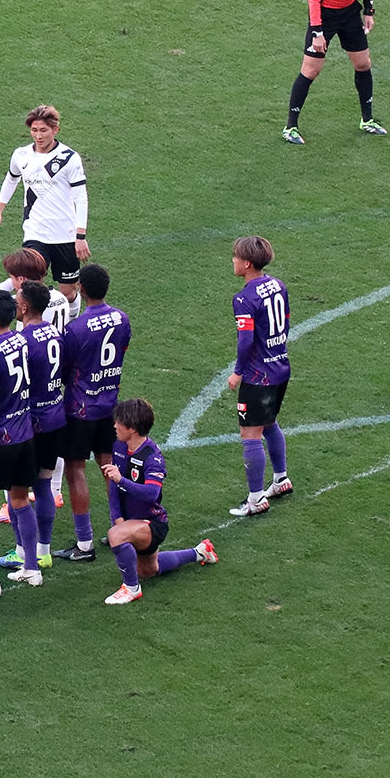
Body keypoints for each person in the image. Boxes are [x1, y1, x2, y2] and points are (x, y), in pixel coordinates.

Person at [101, 397, 219, 605]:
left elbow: (151, 494)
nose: (115, 425)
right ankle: (200, 552)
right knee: (148, 570)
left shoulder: (152, 457)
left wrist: (122, 480)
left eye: (119, 422)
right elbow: (113, 485)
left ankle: (131, 589)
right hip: (132, 522)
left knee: (116, 536)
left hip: (152, 523)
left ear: (132, 428)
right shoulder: (119, 446)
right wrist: (117, 516)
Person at [283, 0, 386, 144]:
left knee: (363, 64)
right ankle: (290, 127)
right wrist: (318, 33)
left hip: (349, 13)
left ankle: (367, 120)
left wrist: (369, 11)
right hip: (324, 16)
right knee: (311, 70)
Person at [51, 263, 129, 561]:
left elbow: (62, 371)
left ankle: (84, 544)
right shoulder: (121, 319)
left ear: (81, 289)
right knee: (108, 465)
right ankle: (120, 528)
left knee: (75, 471)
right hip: (110, 405)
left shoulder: (75, 329)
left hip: (80, 409)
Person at [0, 280, 66, 576]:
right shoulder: (55, 332)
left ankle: (22, 553)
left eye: (17, 300)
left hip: (32, 423)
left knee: (17, 491)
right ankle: (44, 552)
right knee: (45, 484)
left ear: (24, 307)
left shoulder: (23, 341)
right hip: (56, 417)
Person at [0, 105, 89, 313]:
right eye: (34, 130)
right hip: (35, 233)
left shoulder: (69, 158)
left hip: (65, 235)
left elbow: (81, 198)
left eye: (44, 130)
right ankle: (29, 328)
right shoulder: (21, 155)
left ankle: (68, 326)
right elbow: (11, 180)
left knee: (68, 293)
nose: (38, 136)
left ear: (55, 130)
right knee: (29, 289)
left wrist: (80, 236)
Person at [0, 290, 43, 588]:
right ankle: (32, 567)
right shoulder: (21, 340)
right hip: (25, 433)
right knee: (20, 499)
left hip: (1, 438)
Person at [227, 236, 295, 516]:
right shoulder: (278, 285)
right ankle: (280, 479)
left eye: (235, 256)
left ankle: (255, 499)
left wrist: (238, 372)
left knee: (250, 434)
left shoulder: (244, 298)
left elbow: (245, 341)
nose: (233, 260)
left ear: (247, 263)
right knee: (269, 423)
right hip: (280, 367)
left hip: (258, 375)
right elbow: (286, 323)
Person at [0, 247, 75, 329]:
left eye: (12, 278)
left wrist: (16, 283)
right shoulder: (61, 297)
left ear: (21, 279)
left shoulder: (24, 302)